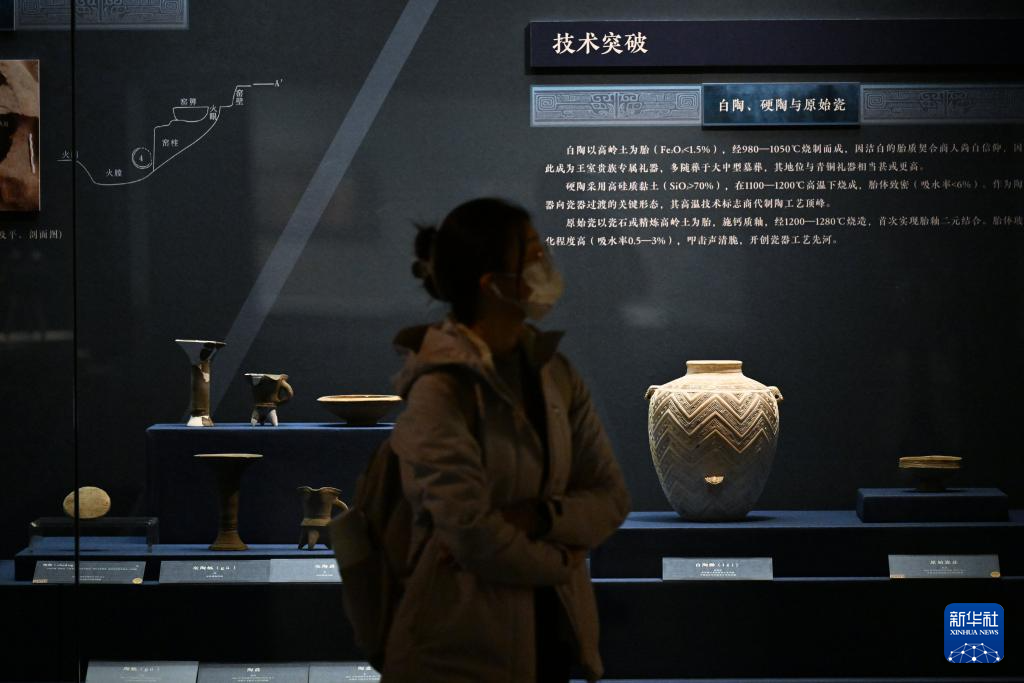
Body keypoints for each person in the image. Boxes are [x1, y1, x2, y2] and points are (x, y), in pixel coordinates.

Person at [382, 198, 631, 682]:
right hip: (459, 653)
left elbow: (610, 497)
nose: (547, 265)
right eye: (533, 254)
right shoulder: (440, 388)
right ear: (491, 283)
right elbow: (471, 533)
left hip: (551, 643)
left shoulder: (556, 375)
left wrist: (539, 517)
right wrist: (562, 561)